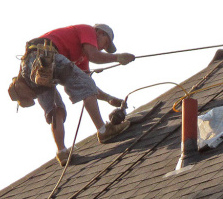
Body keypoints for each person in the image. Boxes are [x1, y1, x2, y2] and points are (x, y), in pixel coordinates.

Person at [15, 23, 136, 165]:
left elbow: (88, 85)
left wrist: (108, 98)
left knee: (55, 109)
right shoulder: (87, 30)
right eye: (106, 43)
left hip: (31, 66)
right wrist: (118, 58)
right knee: (84, 87)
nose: (103, 48)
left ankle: (62, 152)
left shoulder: (81, 58)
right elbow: (94, 56)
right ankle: (103, 131)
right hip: (47, 54)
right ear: (99, 33)